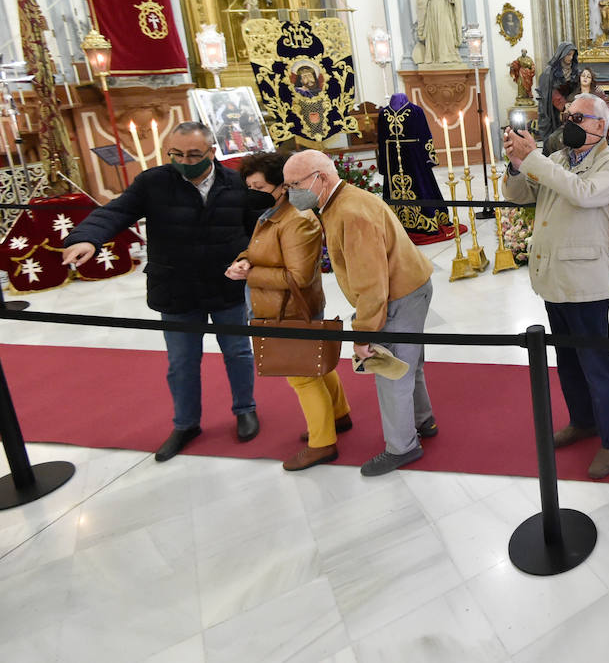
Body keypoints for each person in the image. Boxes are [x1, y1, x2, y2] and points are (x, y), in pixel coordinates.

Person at [61, 122, 264, 461]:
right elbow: (117, 211)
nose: (185, 161)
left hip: (226, 283)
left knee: (238, 353)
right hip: (176, 287)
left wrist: (250, 259)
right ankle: (186, 424)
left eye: (194, 155)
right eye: (177, 154)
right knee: (182, 361)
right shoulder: (153, 182)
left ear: (212, 152)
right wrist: (87, 237)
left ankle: (245, 409)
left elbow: (258, 229)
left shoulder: (235, 183)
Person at [282, 149, 438, 476]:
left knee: (390, 370)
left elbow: (371, 283)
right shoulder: (342, 201)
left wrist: (364, 334)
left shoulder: (349, 212)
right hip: (410, 285)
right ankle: (423, 421)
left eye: (294, 184)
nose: (289, 193)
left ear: (320, 179)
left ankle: (403, 447)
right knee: (410, 362)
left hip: (399, 294)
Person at [503, 92, 609, 479]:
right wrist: (515, 165)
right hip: (552, 278)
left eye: (578, 117)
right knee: (568, 364)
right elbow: (519, 195)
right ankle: (582, 421)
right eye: (567, 115)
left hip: (586, 285)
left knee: (597, 367)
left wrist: (534, 159)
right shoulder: (557, 159)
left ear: (599, 126)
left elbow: (582, 194)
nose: (568, 122)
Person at [227, 152, 349, 471]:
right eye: (248, 186)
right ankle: (339, 415)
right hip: (277, 304)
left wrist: (249, 274)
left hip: (293, 308)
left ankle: (322, 444)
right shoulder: (271, 212)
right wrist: (245, 259)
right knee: (315, 364)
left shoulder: (297, 219)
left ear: (281, 186)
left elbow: (299, 276)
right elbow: (261, 250)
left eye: (258, 186)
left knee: (303, 377)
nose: (251, 192)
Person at [414, 0, 463, 64]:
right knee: (435, 31)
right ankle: (437, 56)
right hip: (432, 11)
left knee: (447, 31)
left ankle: (449, 55)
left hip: (444, 10)